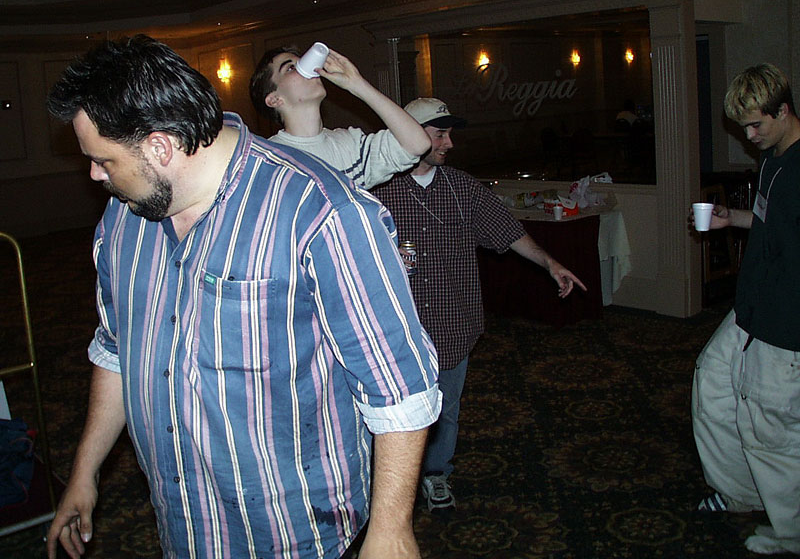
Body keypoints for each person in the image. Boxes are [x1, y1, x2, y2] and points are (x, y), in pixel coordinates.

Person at [44, 35, 441, 559]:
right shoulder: (124, 216)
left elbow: (401, 387)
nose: (96, 175)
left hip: (299, 535)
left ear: (160, 147)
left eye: (103, 160)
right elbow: (120, 350)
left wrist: (391, 529)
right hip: (184, 524)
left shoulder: (319, 210)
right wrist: (84, 472)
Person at [372, 98, 586, 512]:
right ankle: (387, 487)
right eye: (440, 134)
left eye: (450, 134)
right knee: (391, 415)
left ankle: (436, 474)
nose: (449, 143)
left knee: (445, 412)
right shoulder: (376, 190)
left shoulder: (463, 188)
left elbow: (508, 231)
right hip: (396, 330)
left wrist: (550, 263)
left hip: (453, 323)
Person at [691, 63, 800, 556]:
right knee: (713, 380)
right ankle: (741, 492)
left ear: (784, 110)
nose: (749, 136)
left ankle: (791, 533)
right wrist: (729, 218)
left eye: (756, 125)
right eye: (743, 127)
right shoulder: (775, 159)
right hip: (751, 309)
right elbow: (769, 222)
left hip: (784, 322)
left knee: (771, 427)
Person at [249, 46, 430, 189]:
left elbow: (418, 144)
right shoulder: (268, 160)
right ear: (274, 99)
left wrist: (357, 84)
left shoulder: (350, 145)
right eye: (291, 68)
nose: (308, 69)